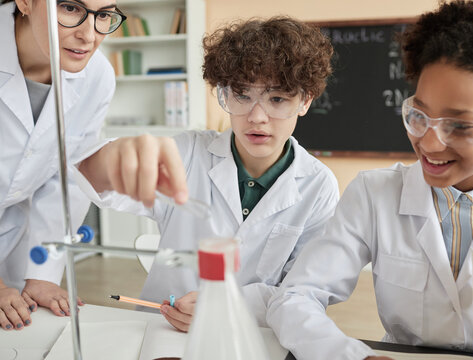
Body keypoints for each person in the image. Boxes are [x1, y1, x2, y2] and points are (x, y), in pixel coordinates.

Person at [266, 1, 473, 359]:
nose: (428, 143)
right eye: (419, 115)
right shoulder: (374, 194)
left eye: (459, 125)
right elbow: (294, 298)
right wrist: (353, 356)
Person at [75, 16, 339, 330]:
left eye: (277, 99)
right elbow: (96, 182)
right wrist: (107, 161)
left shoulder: (318, 187)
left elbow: (304, 291)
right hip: (163, 331)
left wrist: (226, 307)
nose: (256, 117)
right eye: (241, 95)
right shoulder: (187, 154)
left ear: (305, 100)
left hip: (250, 336)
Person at [0, 0, 123, 330]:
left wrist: (41, 275)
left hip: (13, 237)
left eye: (104, 15)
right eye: (70, 7)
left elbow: (68, 177)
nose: (89, 34)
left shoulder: (97, 75)